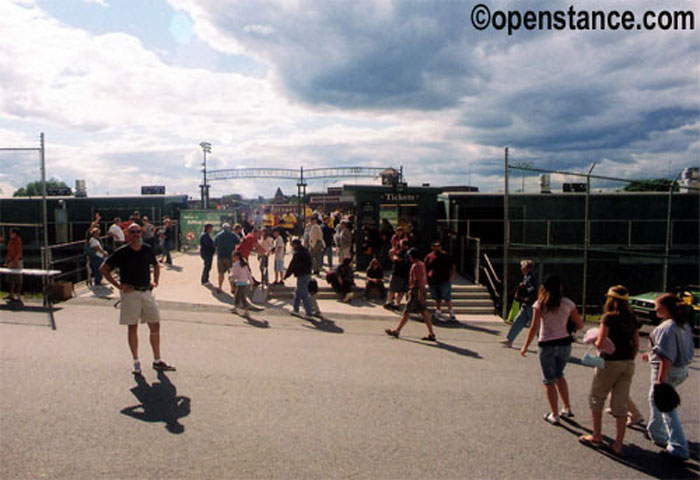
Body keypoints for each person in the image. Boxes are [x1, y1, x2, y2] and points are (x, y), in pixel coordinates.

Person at [101, 223, 175, 375]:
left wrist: (156, 280)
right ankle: (136, 362)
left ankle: (157, 360)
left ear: (142, 233)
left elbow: (156, 265)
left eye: (138, 232)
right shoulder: (122, 252)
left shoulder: (147, 249)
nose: (136, 234)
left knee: (155, 324)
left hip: (146, 292)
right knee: (132, 326)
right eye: (133, 232)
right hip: (130, 294)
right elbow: (104, 268)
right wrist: (118, 286)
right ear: (128, 234)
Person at [578, 285, 640, 456]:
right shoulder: (632, 318)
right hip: (628, 363)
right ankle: (618, 444)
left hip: (610, 363)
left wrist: (595, 340)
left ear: (610, 300)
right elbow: (636, 344)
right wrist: (629, 358)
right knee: (620, 404)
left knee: (597, 398)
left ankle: (597, 435)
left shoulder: (609, 318)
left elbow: (600, 342)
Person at [520, 275, 582, 425]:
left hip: (547, 344)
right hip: (565, 343)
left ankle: (554, 414)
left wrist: (525, 346)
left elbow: (534, 327)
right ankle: (566, 407)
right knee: (560, 374)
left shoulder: (540, 304)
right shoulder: (568, 303)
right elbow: (579, 324)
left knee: (549, 380)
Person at [643, 293, 694, 460]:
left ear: (666, 308)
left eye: (657, 305)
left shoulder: (667, 328)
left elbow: (666, 357)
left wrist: (661, 382)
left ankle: (678, 447)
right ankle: (656, 433)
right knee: (659, 404)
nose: (655, 308)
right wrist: (650, 354)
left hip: (666, 372)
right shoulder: (683, 325)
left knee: (665, 406)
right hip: (681, 370)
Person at [385, 248, 437, 341]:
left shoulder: (416, 266)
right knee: (424, 312)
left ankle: (397, 331)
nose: (408, 258)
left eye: (409, 256)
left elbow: (419, 281)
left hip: (417, 291)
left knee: (407, 312)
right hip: (419, 290)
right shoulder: (421, 264)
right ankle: (431, 334)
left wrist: (418, 294)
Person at [502, 260, 538, 348]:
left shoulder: (530, 278)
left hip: (531, 305)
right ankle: (509, 340)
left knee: (536, 326)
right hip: (525, 304)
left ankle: (545, 343)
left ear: (527, 268)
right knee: (518, 321)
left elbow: (533, 290)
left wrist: (524, 287)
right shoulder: (526, 277)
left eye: (523, 267)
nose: (521, 268)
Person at [424, 240, 457, 321]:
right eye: (434, 246)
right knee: (436, 297)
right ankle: (438, 311)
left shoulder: (445, 255)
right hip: (433, 279)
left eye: (438, 246)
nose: (436, 248)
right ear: (432, 247)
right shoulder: (429, 256)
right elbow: (425, 267)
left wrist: (452, 275)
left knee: (447, 296)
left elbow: (452, 265)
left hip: (444, 279)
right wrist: (426, 278)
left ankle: (451, 312)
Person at [284, 239, 314, 319]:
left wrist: (287, 275)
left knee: (304, 294)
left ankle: (309, 313)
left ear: (295, 245)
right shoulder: (306, 251)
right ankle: (295, 309)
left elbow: (293, 265)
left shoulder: (298, 253)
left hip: (302, 275)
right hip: (307, 274)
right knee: (298, 292)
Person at [214, 223, 241, 293]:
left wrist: (218, 253)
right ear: (229, 228)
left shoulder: (218, 235)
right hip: (230, 257)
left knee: (221, 273)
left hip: (220, 257)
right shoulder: (233, 235)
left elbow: (215, 245)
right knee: (231, 273)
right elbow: (238, 243)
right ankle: (232, 288)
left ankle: (220, 287)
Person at [384, 240, 410, 310]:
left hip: (398, 273)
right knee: (400, 290)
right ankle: (397, 304)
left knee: (393, 289)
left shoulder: (402, 252)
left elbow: (397, 259)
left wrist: (392, 254)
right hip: (405, 273)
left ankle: (389, 302)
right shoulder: (408, 253)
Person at [4, 228, 23, 302]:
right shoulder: (11, 241)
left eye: (11, 233)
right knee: (10, 278)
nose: (10, 234)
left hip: (17, 261)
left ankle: (18, 294)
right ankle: (11, 294)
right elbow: (9, 251)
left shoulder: (18, 240)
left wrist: (15, 261)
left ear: (15, 233)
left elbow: (18, 251)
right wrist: (7, 260)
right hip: (11, 260)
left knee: (18, 278)